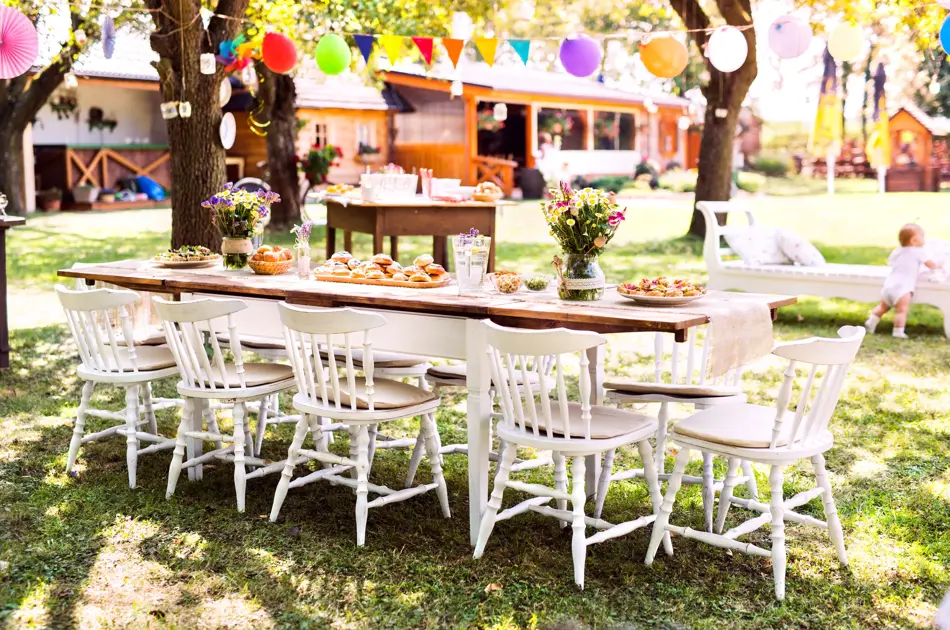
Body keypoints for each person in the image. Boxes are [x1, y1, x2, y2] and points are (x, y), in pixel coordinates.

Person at [864, 223, 940, 339]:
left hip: (889, 285)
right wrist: (938, 266)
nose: (924, 239)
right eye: (922, 236)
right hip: (903, 288)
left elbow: (891, 262)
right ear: (914, 240)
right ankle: (898, 331)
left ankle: (871, 322)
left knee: (882, 307)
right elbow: (930, 264)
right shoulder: (918, 252)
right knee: (901, 311)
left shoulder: (897, 251)